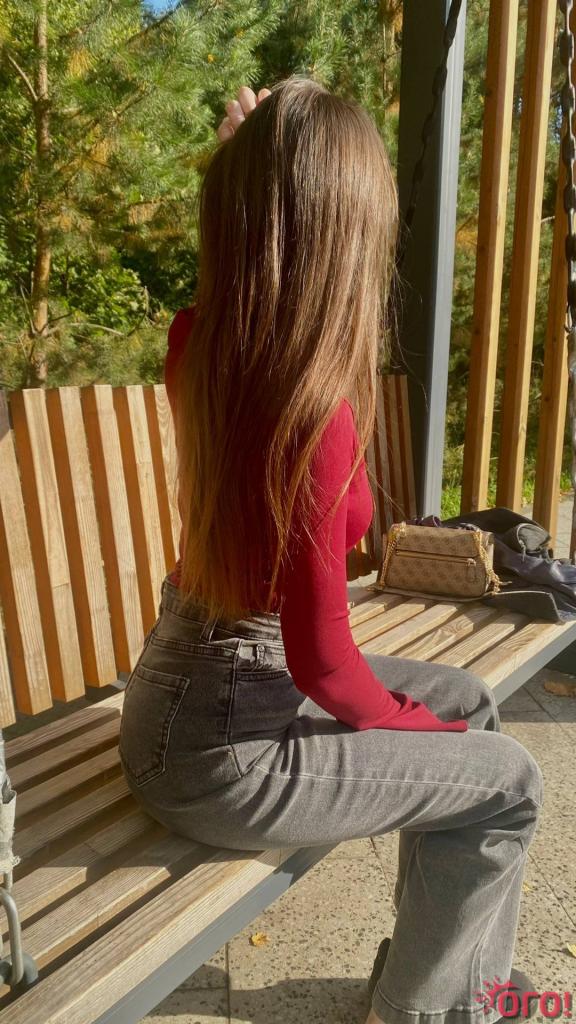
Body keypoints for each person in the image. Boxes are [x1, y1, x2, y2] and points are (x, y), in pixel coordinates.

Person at [118, 77, 544, 1024]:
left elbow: (227, 288)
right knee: (508, 783)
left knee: (472, 703)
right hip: (223, 756)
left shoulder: (204, 348)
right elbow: (325, 665)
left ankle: (454, 984)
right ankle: (424, 1011)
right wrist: (419, 734)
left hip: (183, 700)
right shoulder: (313, 417)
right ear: (347, 234)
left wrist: (251, 166)